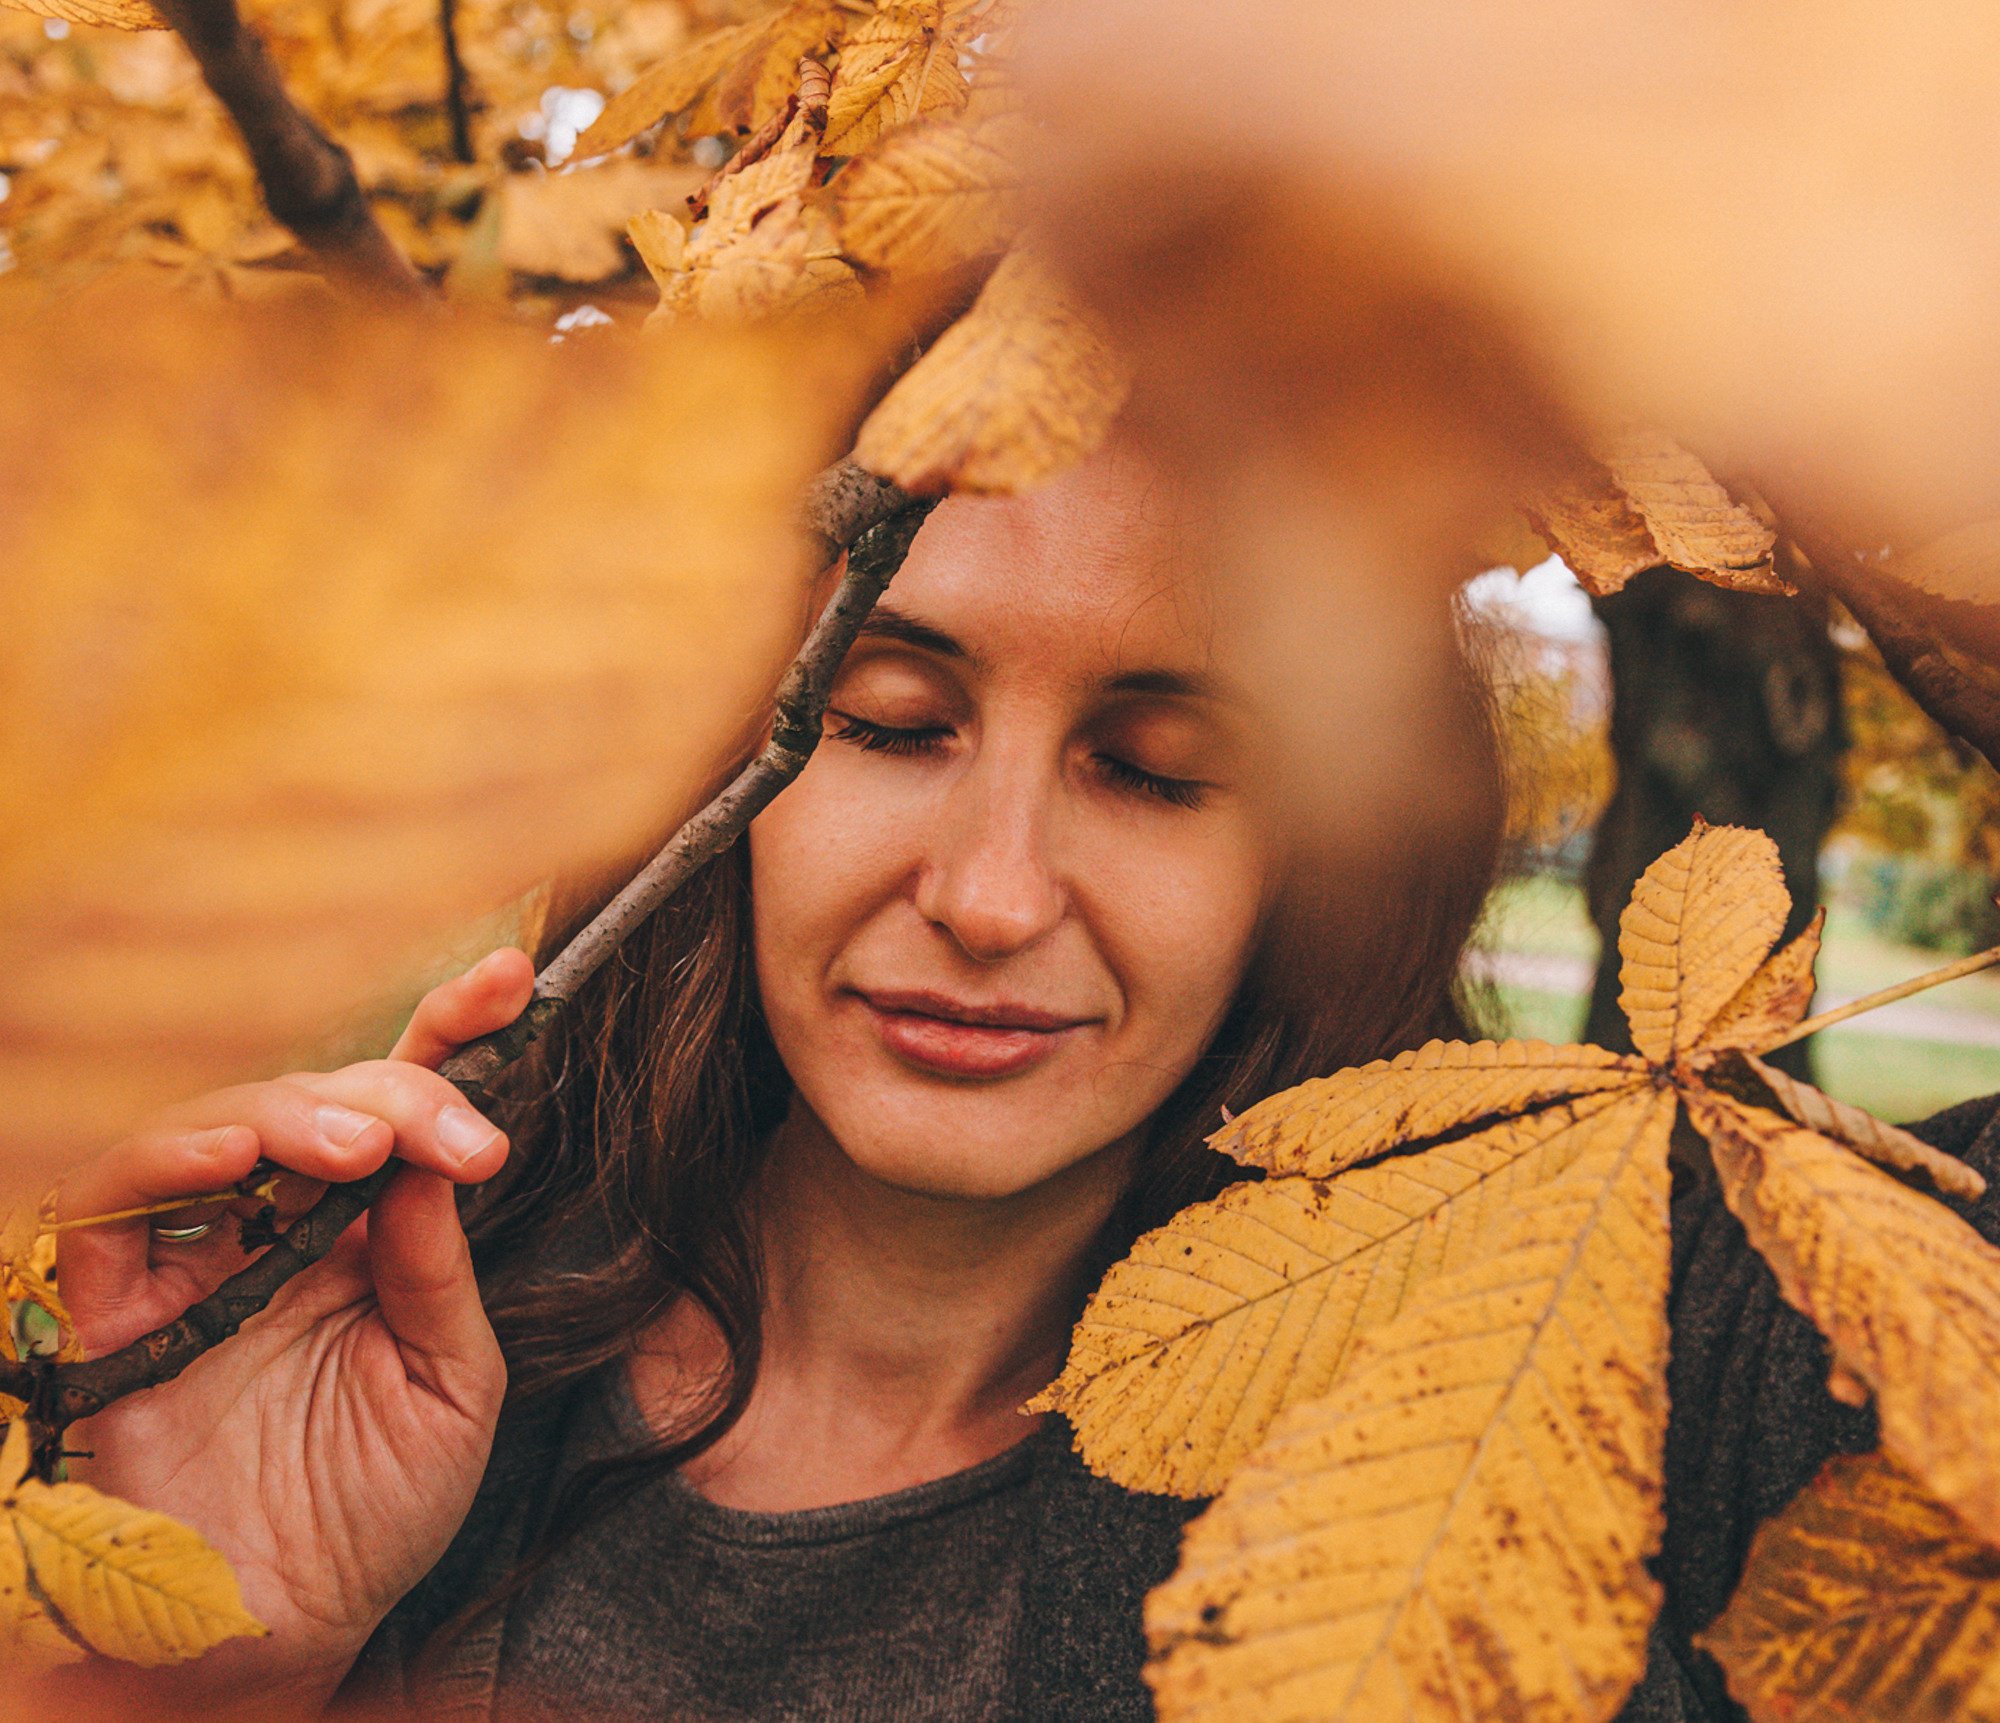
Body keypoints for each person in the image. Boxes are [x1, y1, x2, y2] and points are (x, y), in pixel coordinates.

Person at [51, 446, 1979, 1723]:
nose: (986, 896)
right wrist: (184, 1664)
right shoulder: (376, 1372)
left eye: (1153, 767)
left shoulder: (1664, 1359)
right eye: (894, 727)